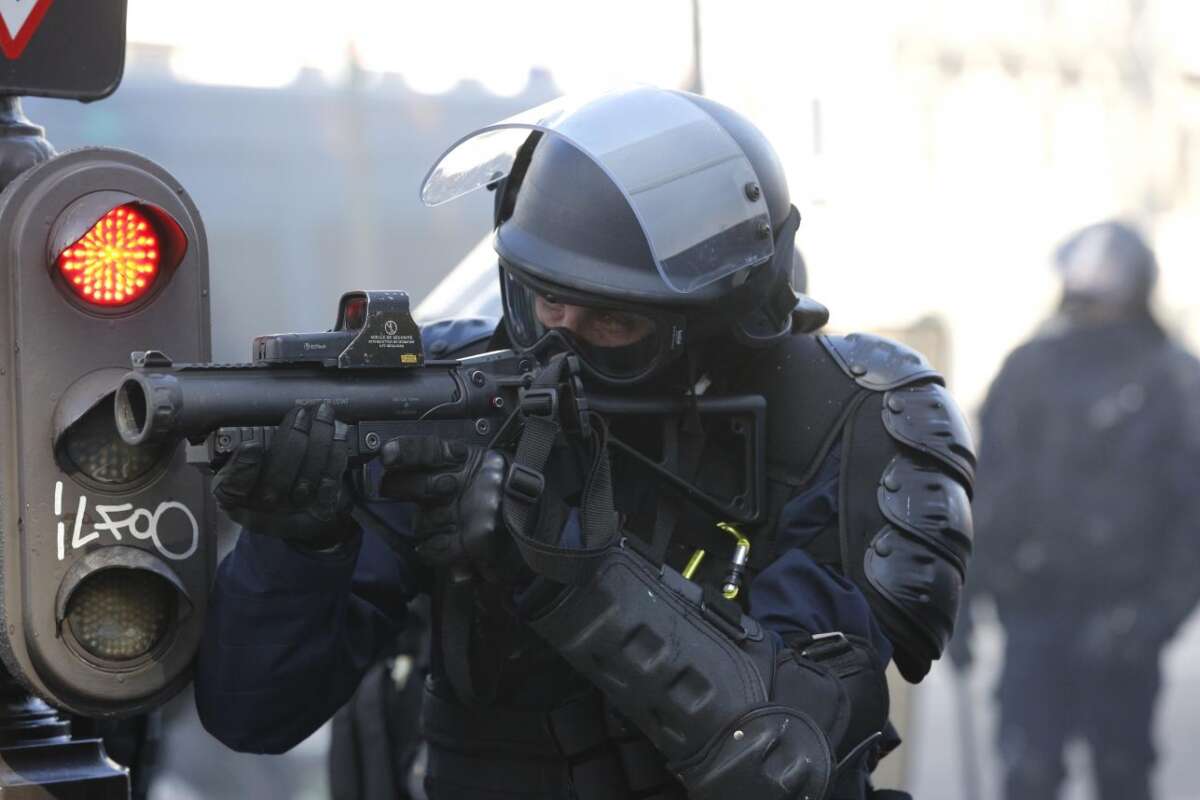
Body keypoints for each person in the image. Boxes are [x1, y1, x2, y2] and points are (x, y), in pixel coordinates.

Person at [194, 86, 975, 800]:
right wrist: (299, 549)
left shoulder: (847, 420)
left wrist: (554, 558)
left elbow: (790, 756)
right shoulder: (458, 399)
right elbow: (251, 714)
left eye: (614, 322)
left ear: (712, 324)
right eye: (546, 302)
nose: (559, 344)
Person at [950, 221, 1200, 800]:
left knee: (1122, 774)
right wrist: (959, 594)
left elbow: (1192, 519)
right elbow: (990, 492)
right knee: (1029, 773)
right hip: (1034, 613)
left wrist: (1156, 617)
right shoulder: (1028, 370)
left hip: (1123, 622)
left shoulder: (1174, 380)